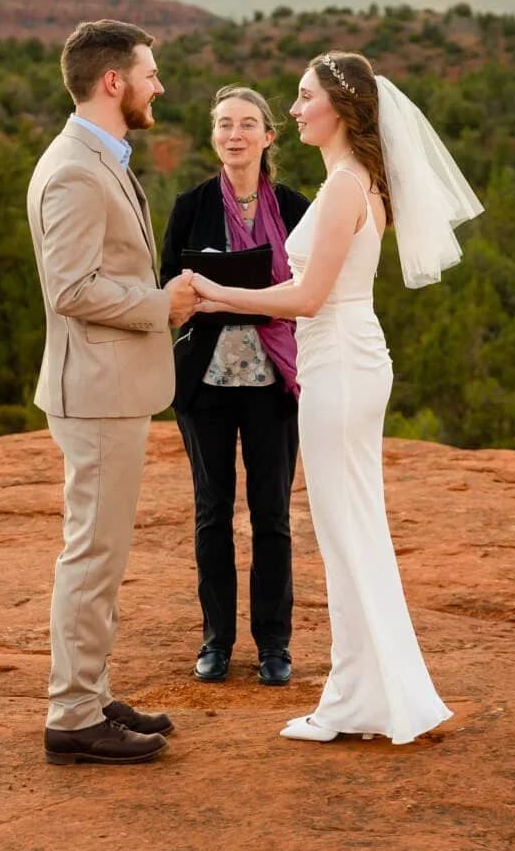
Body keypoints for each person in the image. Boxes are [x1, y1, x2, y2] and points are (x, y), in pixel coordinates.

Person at [189, 51, 483, 745]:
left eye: (303, 97)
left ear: (341, 109)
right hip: (346, 359)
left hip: (340, 364)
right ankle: (366, 696)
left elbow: (309, 298)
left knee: (345, 531)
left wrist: (213, 295)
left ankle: (360, 700)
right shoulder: (353, 180)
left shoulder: (348, 185)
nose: (292, 111)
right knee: (351, 528)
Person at [26, 19, 198, 766]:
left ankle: (90, 693)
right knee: (93, 554)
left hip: (109, 387)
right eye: (150, 73)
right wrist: (162, 304)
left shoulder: (100, 156)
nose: (159, 85)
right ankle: (72, 715)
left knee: (103, 549)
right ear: (113, 82)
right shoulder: (74, 168)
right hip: (96, 391)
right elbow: (71, 289)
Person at [159, 86, 311, 688]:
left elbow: (311, 289)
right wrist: (213, 294)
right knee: (212, 513)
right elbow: (171, 288)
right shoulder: (190, 205)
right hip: (207, 383)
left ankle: (274, 646)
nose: (235, 134)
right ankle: (216, 642)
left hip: (275, 382)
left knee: (272, 515)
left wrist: (224, 291)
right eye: (224, 124)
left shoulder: (298, 208)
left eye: (248, 124)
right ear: (213, 136)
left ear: (268, 137)